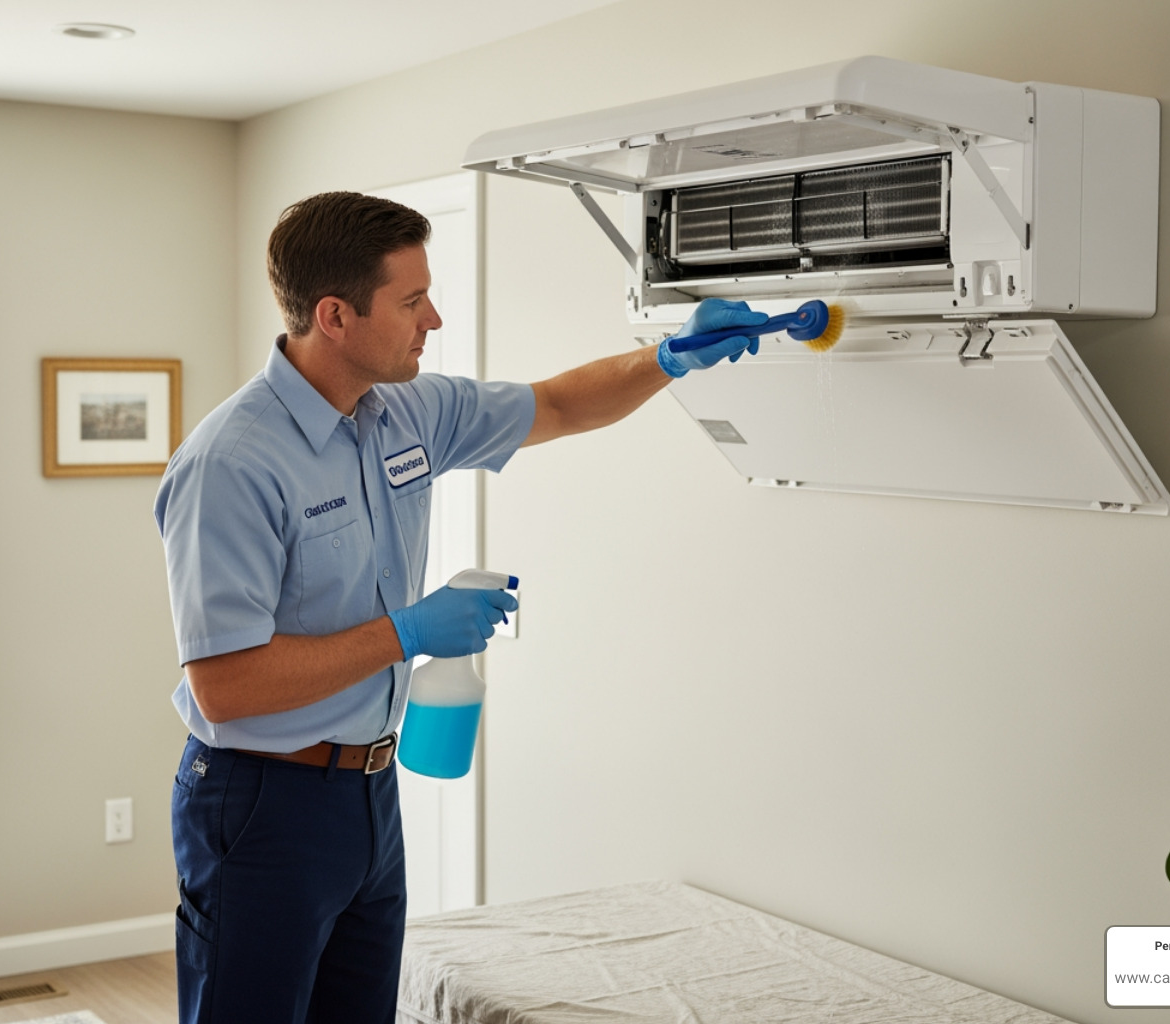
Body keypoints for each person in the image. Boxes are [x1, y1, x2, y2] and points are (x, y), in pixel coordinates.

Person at [153, 190, 766, 1024]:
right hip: (261, 802)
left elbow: (555, 404)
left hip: (368, 795)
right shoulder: (231, 464)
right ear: (334, 315)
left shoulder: (407, 412)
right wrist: (404, 632)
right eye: (411, 301)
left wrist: (668, 358)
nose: (433, 319)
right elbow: (225, 685)